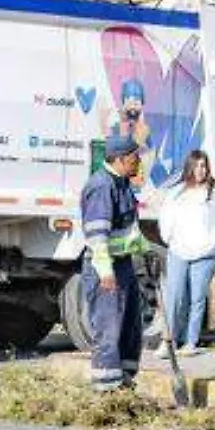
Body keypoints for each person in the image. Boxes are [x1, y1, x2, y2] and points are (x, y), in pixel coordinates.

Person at [80, 134, 147, 392]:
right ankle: (106, 392)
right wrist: (106, 271)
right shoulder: (101, 186)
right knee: (109, 329)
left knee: (130, 327)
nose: (138, 161)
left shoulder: (122, 184)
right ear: (119, 159)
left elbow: (127, 230)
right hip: (105, 269)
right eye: (134, 157)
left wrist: (145, 248)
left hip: (123, 265)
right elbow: (97, 234)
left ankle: (125, 384)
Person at [156, 150, 215, 359]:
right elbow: (166, 219)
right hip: (179, 250)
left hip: (206, 252)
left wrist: (214, 244)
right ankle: (169, 340)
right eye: (197, 165)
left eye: (204, 165)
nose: (201, 170)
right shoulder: (176, 192)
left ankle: (190, 341)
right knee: (176, 296)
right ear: (189, 167)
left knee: (197, 298)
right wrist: (170, 239)